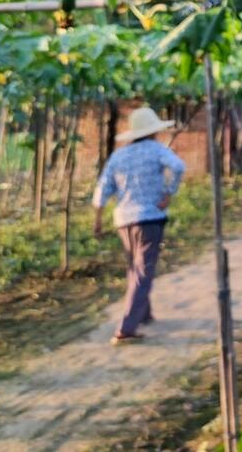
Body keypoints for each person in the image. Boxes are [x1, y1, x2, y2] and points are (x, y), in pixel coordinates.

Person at [93, 106, 186, 344]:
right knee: (143, 270)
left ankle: (143, 313)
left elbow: (103, 188)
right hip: (149, 218)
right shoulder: (156, 150)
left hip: (124, 220)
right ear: (153, 132)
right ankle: (126, 328)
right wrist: (168, 192)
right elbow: (178, 166)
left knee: (135, 268)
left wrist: (98, 220)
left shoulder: (119, 156)